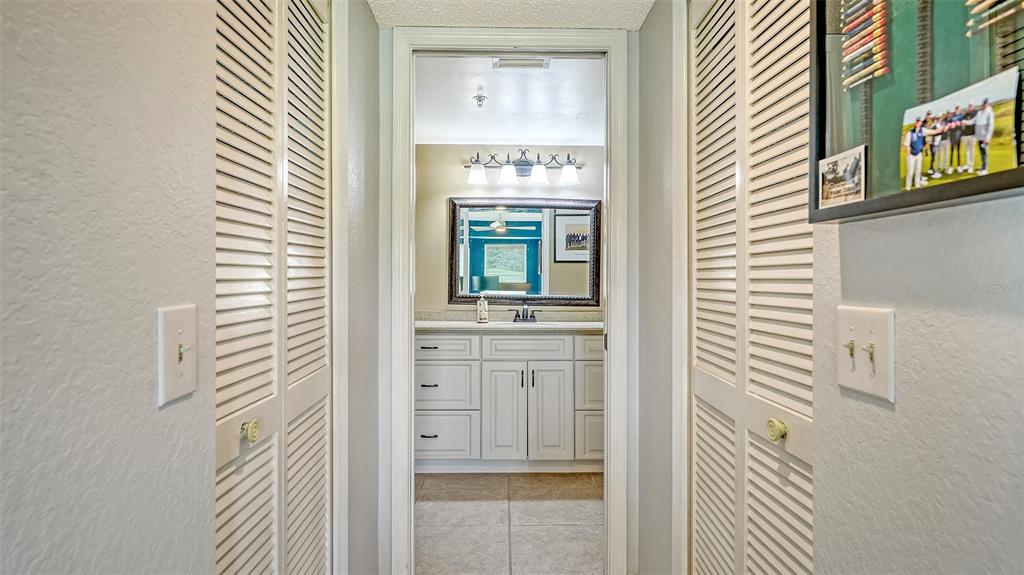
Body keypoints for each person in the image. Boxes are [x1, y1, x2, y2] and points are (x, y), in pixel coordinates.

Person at [969, 98, 995, 176]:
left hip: (985, 137)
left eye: (985, 104)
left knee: (984, 152)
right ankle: (983, 165)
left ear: (987, 104)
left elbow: (991, 126)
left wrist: (988, 137)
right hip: (979, 136)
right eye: (983, 104)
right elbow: (973, 121)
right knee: (981, 152)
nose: (983, 105)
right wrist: (966, 122)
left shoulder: (990, 113)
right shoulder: (979, 112)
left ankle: (985, 169)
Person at [904, 117, 931, 190]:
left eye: (920, 122)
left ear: (921, 123)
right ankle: (908, 187)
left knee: (918, 170)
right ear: (915, 122)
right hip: (911, 155)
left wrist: (924, 148)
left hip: (919, 154)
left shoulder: (922, 132)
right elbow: (906, 145)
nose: (918, 123)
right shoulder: (910, 132)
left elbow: (926, 142)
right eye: (917, 121)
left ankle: (917, 185)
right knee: (910, 172)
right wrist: (909, 153)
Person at [961, 102, 977, 173]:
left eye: (971, 105)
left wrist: (966, 122)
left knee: (972, 151)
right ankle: (967, 164)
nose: (970, 107)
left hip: (972, 135)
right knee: (967, 151)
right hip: (965, 135)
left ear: (973, 106)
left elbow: (973, 122)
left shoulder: (976, 113)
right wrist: (964, 123)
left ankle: (971, 166)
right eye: (969, 106)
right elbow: (962, 125)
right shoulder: (966, 114)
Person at [948, 105, 964, 174]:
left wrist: (959, 124)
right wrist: (951, 125)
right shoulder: (952, 117)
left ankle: (959, 166)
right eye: (956, 108)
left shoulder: (961, 116)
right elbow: (948, 124)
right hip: (952, 137)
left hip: (958, 136)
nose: (957, 110)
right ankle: (951, 166)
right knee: (951, 152)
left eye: (958, 108)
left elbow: (963, 126)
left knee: (958, 152)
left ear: (959, 109)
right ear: (955, 109)